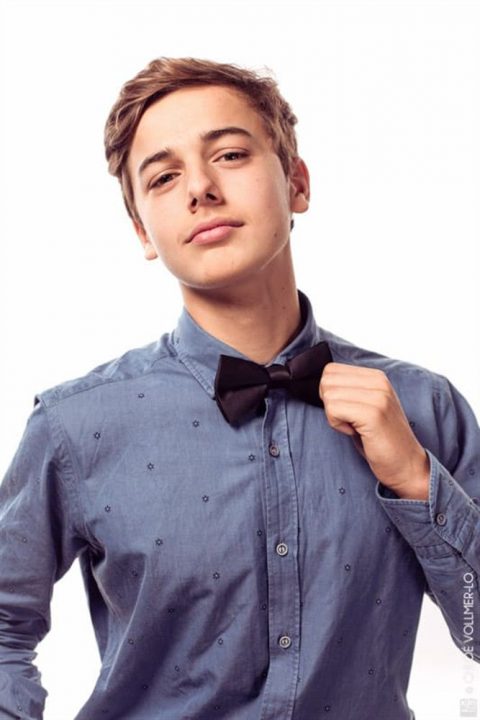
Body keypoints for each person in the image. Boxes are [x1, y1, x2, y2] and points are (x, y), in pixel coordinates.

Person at [0, 56, 478, 720]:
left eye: (228, 154)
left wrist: (416, 480)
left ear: (297, 183)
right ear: (143, 231)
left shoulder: (425, 408)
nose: (200, 188)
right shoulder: (74, 425)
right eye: (164, 177)